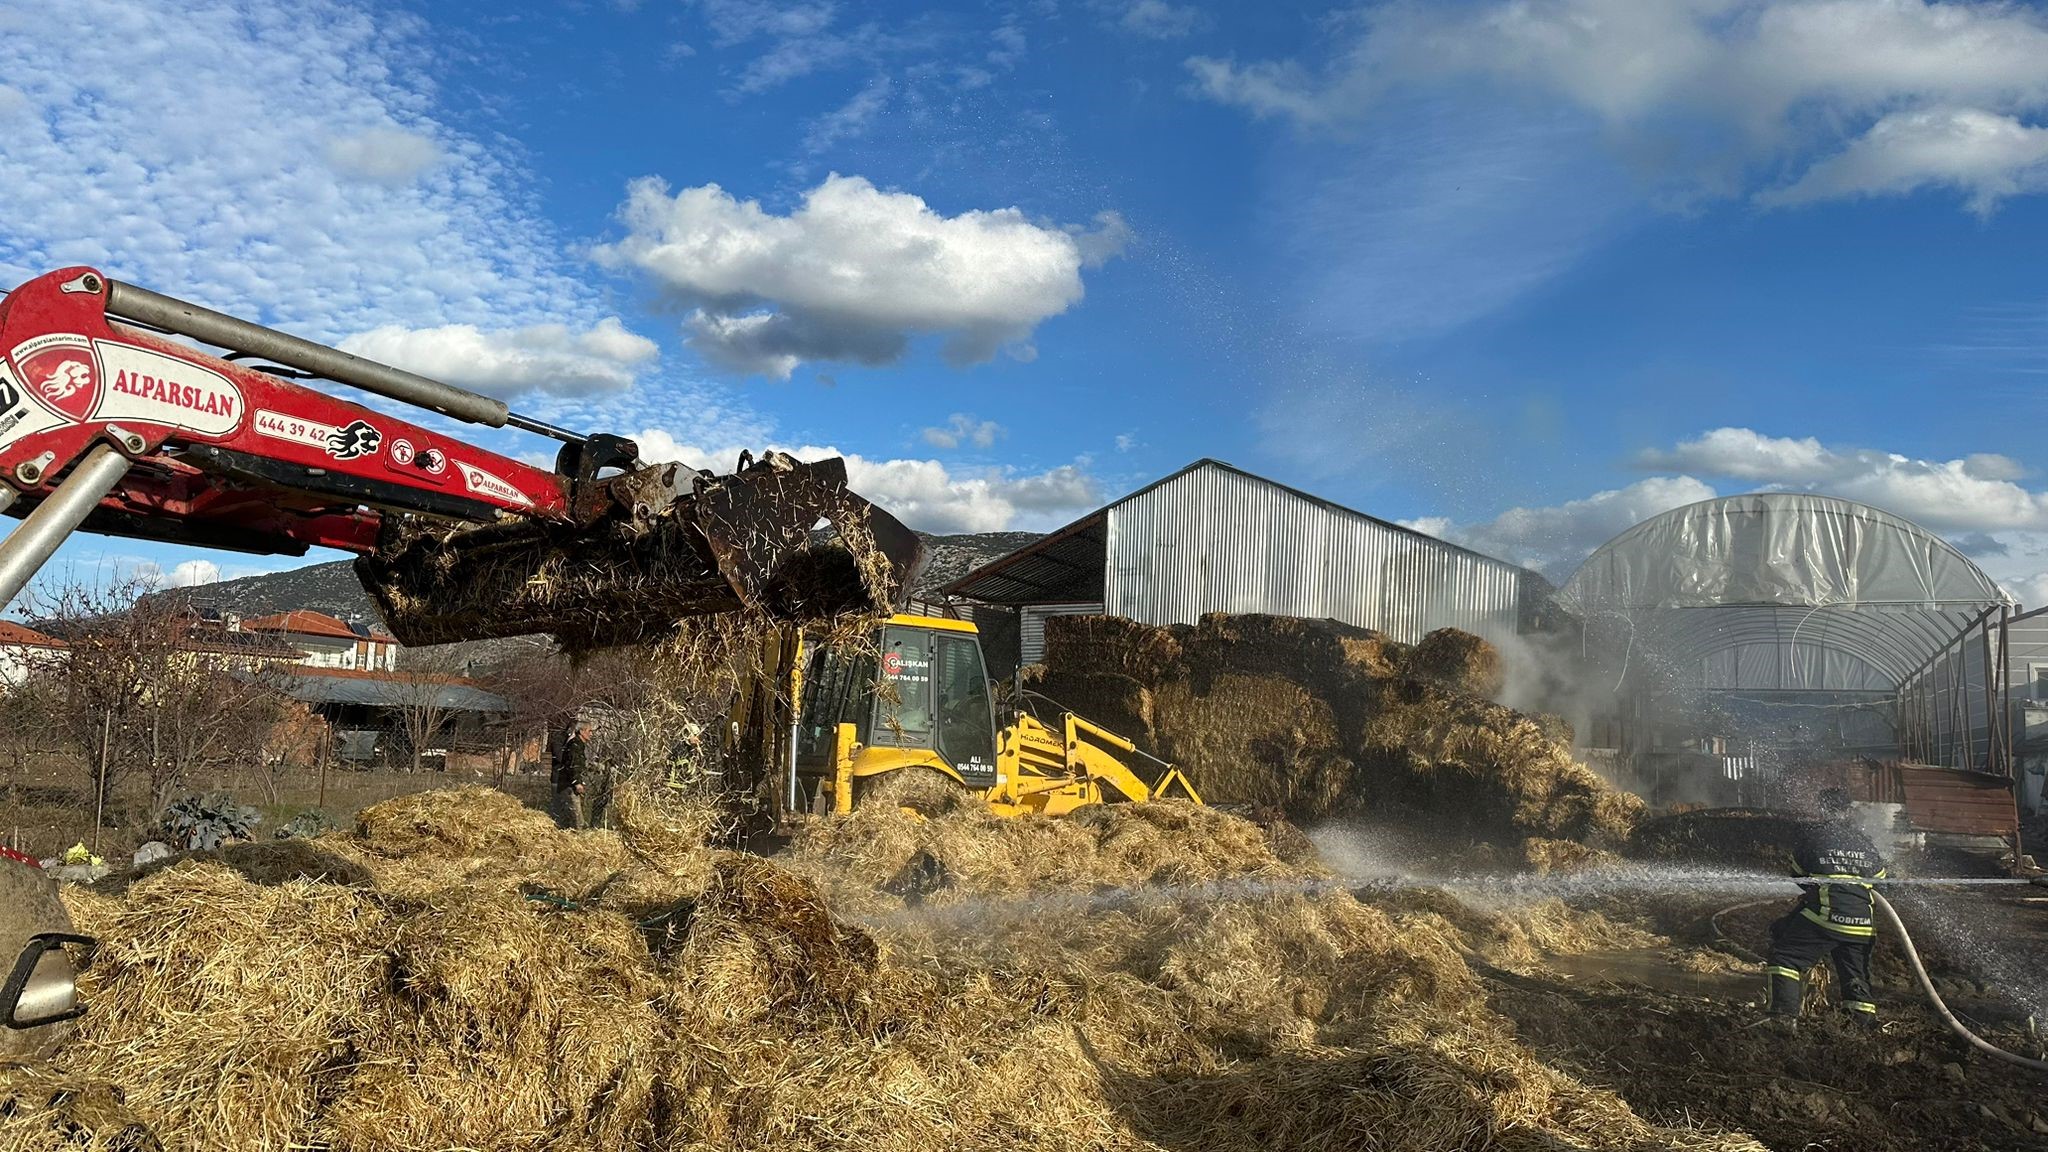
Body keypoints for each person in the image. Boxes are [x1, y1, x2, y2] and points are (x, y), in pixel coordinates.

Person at [1763, 786, 1886, 1028]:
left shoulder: (1814, 837)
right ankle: (1861, 1028)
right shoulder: (1865, 843)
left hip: (1826, 916)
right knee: (1855, 976)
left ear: (1822, 809)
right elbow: (1880, 880)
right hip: (1863, 924)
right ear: (1847, 810)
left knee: (1785, 957)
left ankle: (1783, 1019)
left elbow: (1799, 876)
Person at [551, 721, 591, 830]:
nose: (591, 734)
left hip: (569, 784)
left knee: (572, 817)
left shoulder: (579, 745)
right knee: (576, 820)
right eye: (589, 731)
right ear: (581, 731)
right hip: (569, 786)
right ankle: (576, 836)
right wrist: (577, 783)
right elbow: (573, 765)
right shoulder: (575, 745)